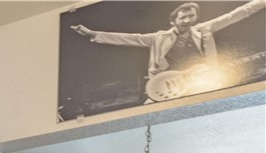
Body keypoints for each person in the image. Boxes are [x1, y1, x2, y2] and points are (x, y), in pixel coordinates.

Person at [71, 0, 265, 86]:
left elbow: (236, 14)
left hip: (200, 79)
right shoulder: (158, 37)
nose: (188, 20)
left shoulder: (203, 29)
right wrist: (92, 33)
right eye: (183, 17)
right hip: (168, 81)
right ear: (173, 20)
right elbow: (127, 37)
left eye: (192, 16)